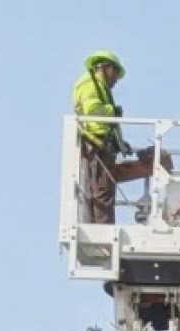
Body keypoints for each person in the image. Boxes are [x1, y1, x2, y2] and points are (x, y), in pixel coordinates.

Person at [72, 52, 129, 225]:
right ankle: (104, 233)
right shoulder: (90, 85)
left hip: (102, 145)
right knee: (101, 193)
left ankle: (102, 230)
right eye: (115, 74)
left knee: (102, 192)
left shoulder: (98, 86)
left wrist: (120, 143)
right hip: (96, 147)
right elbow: (94, 111)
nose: (116, 80)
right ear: (106, 68)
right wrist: (114, 111)